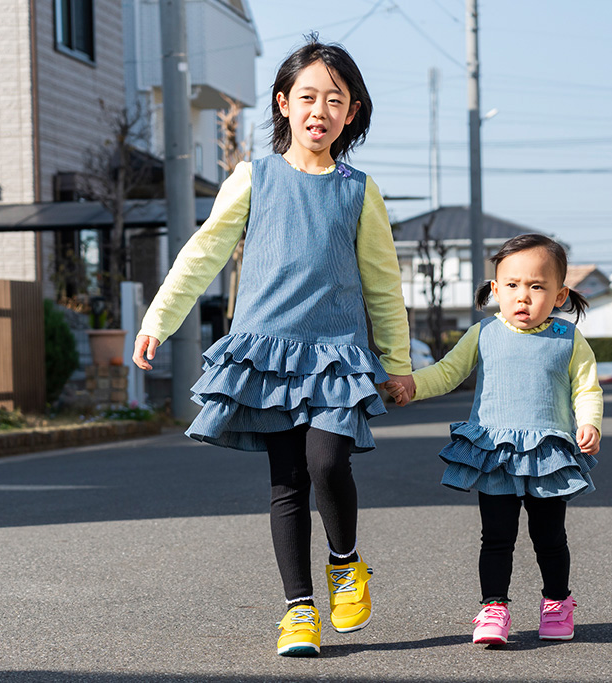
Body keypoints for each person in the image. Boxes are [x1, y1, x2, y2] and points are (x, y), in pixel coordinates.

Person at [132, 36, 414, 658]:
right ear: (284, 104)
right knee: (286, 482)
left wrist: (397, 364)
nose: (320, 110)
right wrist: (159, 319)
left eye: (335, 100)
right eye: (308, 96)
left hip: (336, 354)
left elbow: (382, 282)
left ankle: (346, 562)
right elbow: (204, 250)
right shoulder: (252, 177)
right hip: (267, 354)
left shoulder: (359, 191)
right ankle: (298, 611)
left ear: (353, 113)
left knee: (326, 462)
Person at [385, 234, 603, 645]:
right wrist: (412, 385)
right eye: (513, 286)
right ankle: (493, 609)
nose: (524, 297)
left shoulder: (567, 339)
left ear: (560, 295)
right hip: (496, 453)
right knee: (496, 536)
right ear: (495, 290)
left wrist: (589, 422)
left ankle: (557, 603)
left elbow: (586, 388)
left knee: (550, 537)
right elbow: (448, 372)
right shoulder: (482, 333)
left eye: (537, 287)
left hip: (546, 455)